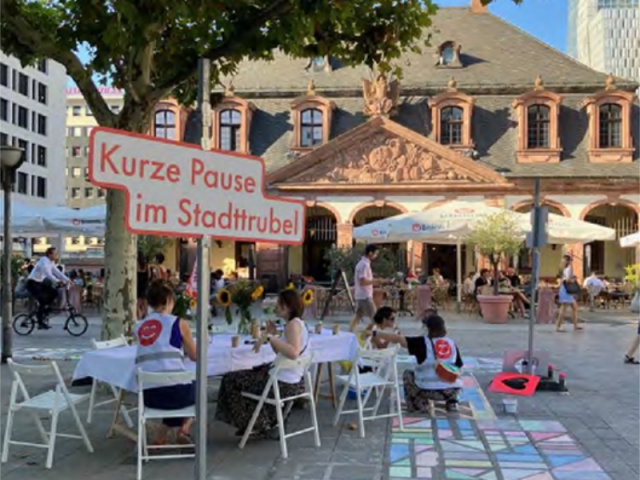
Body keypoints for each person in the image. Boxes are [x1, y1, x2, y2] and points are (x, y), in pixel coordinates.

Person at [215, 289, 309, 437]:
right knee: (246, 377)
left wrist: (271, 338)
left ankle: (253, 424)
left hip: (281, 384)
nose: (276, 307)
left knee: (230, 380)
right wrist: (271, 335)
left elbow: (293, 352)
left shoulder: (293, 325)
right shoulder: (296, 324)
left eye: (279, 303)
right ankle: (260, 422)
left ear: (288, 307)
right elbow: (281, 352)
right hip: (292, 381)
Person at [134, 280, 197, 444]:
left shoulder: (139, 326)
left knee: (173, 388)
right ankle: (184, 428)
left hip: (148, 395)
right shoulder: (178, 323)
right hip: (177, 393)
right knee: (199, 389)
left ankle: (161, 436)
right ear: (169, 300)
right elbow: (195, 356)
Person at [369, 314, 463, 413]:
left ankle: (417, 405)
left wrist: (375, 333)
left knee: (408, 374)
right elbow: (459, 366)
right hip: (452, 390)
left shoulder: (422, 342)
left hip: (429, 390)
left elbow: (399, 339)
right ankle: (452, 402)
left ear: (428, 328)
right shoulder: (451, 343)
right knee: (456, 375)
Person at [26, 247, 69, 329]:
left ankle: (45, 310)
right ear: (49, 254)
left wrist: (68, 280)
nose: (56, 255)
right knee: (42, 300)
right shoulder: (44, 261)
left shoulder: (51, 262)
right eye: (55, 254)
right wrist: (57, 281)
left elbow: (57, 272)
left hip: (39, 283)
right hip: (32, 283)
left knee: (54, 292)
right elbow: (48, 273)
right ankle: (40, 322)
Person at [349, 245, 379, 332]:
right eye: (375, 253)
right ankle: (367, 333)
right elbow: (363, 281)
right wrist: (375, 281)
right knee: (375, 317)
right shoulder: (364, 265)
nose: (376, 256)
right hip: (365, 295)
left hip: (361, 294)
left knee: (358, 315)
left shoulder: (361, 264)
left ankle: (351, 331)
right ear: (370, 253)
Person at [556, 254, 581, 332]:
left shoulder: (562, 268)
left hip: (564, 289)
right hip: (566, 290)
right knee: (564, 308)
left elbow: (562, 279)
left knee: (574, 307)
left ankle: (575, 325)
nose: (571, 262)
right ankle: (558, 326)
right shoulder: (568, 269)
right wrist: (572, 280)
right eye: (571, 261)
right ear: (569, 261)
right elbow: (567, 279)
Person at [137, 251, 150, 320]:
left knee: (137, 304)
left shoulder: (136, 265)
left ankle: (139, 317)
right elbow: (149, 276)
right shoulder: (146, 266)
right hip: (145, 286)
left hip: (138, 286)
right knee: (145, 303)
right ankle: (145, 316)